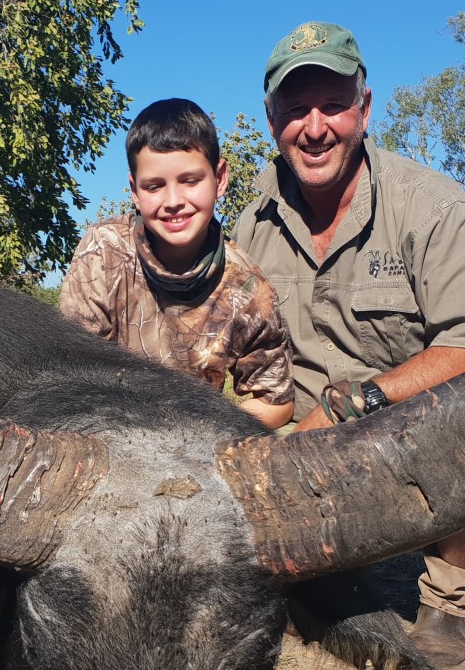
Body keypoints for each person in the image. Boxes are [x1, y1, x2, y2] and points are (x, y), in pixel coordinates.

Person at [233, 22, 465, 670]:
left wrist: (351, 405)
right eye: (295, 108)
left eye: (332, 104)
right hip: (298, 462)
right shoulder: (247, 228)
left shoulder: (434, 208)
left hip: (410, 441)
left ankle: (447, 600)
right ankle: (313, 575)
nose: (314, 127)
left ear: (364, 108)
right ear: (271, 119)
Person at [60, 98, 295, 430]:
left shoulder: (249, 289)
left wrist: (203, 432)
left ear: (220, 179)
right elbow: (70, 372)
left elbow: (276, 402)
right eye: (154, 186)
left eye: (190, 180)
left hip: (194, 444)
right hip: (106, 430)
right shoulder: (102, 251)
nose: (173, 202)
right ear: (134, 191)